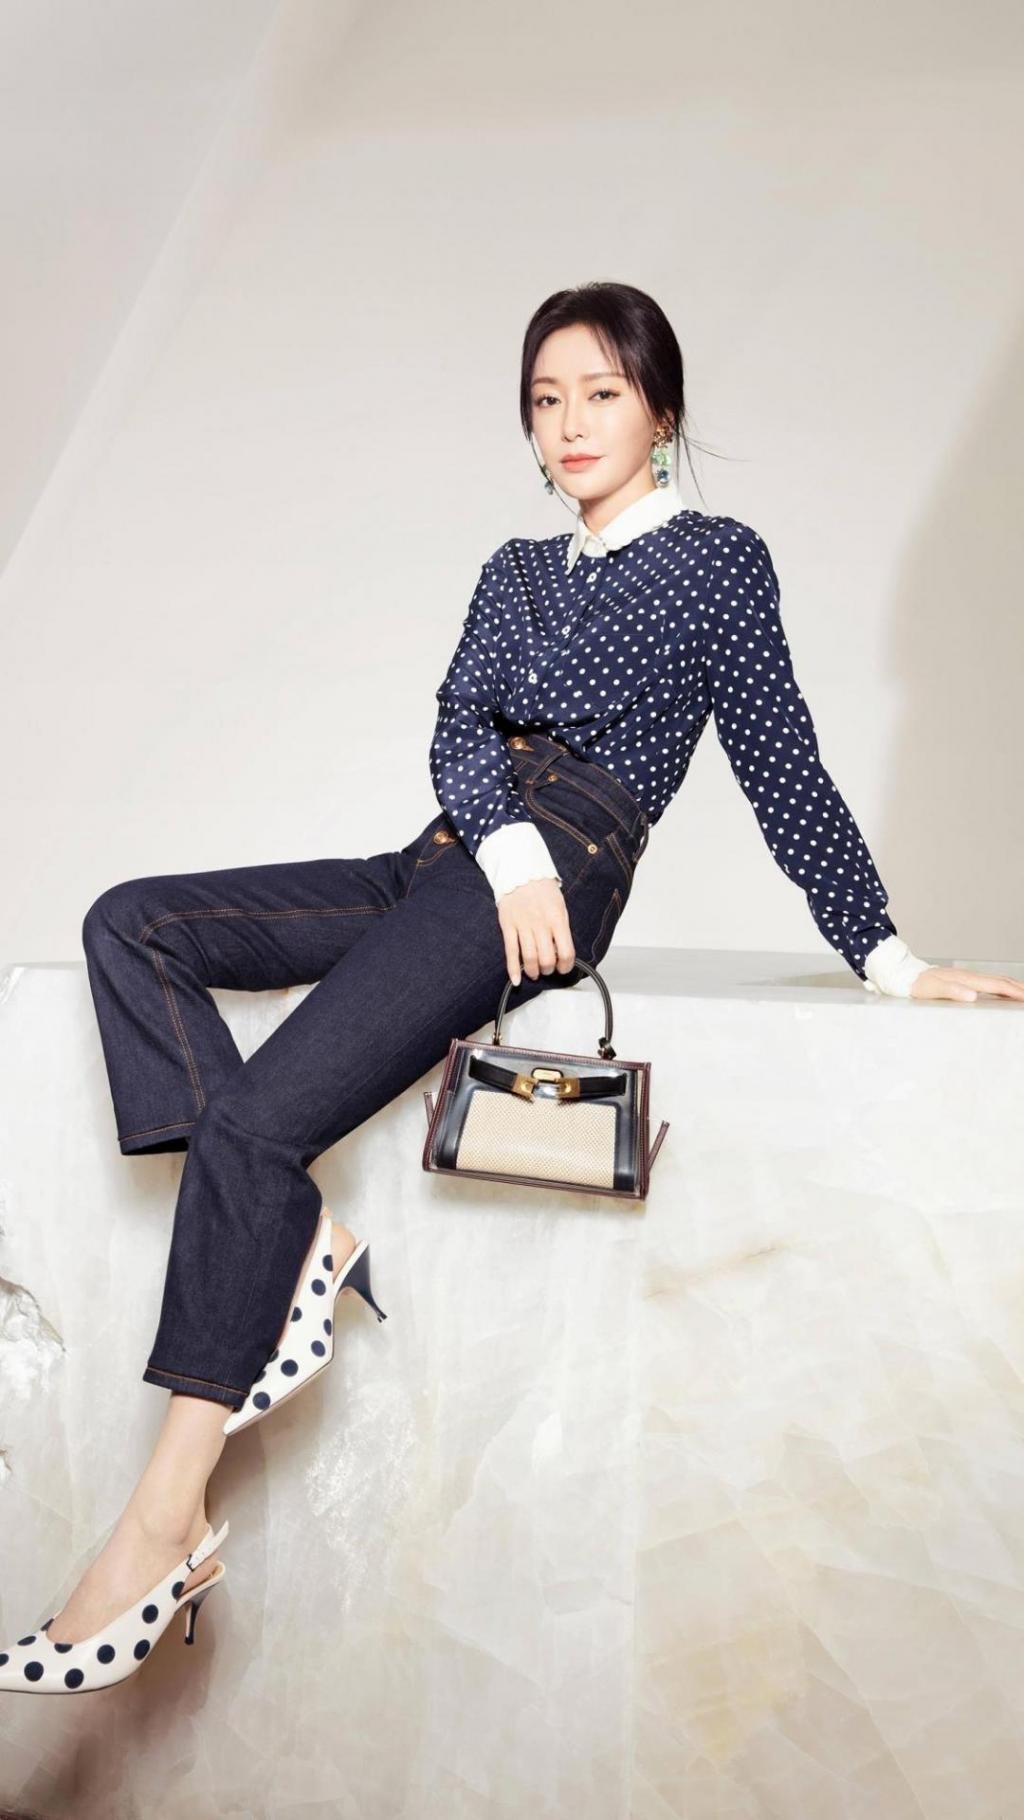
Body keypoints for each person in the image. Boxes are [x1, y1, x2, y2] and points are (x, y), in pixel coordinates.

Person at [4, 281, 1019, 1696]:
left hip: (569, 866)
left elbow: (782, 762)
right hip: (456, 856)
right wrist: (504, 851)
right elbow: (457, 726)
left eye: (602, 393)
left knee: (253, 1128)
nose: (571, 424)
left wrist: (888, 957)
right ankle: (278, 1241)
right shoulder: (516, 569)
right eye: (547, 400)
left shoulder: (718, 563)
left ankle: (159, 1530)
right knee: (133, 925)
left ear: (661, 409)